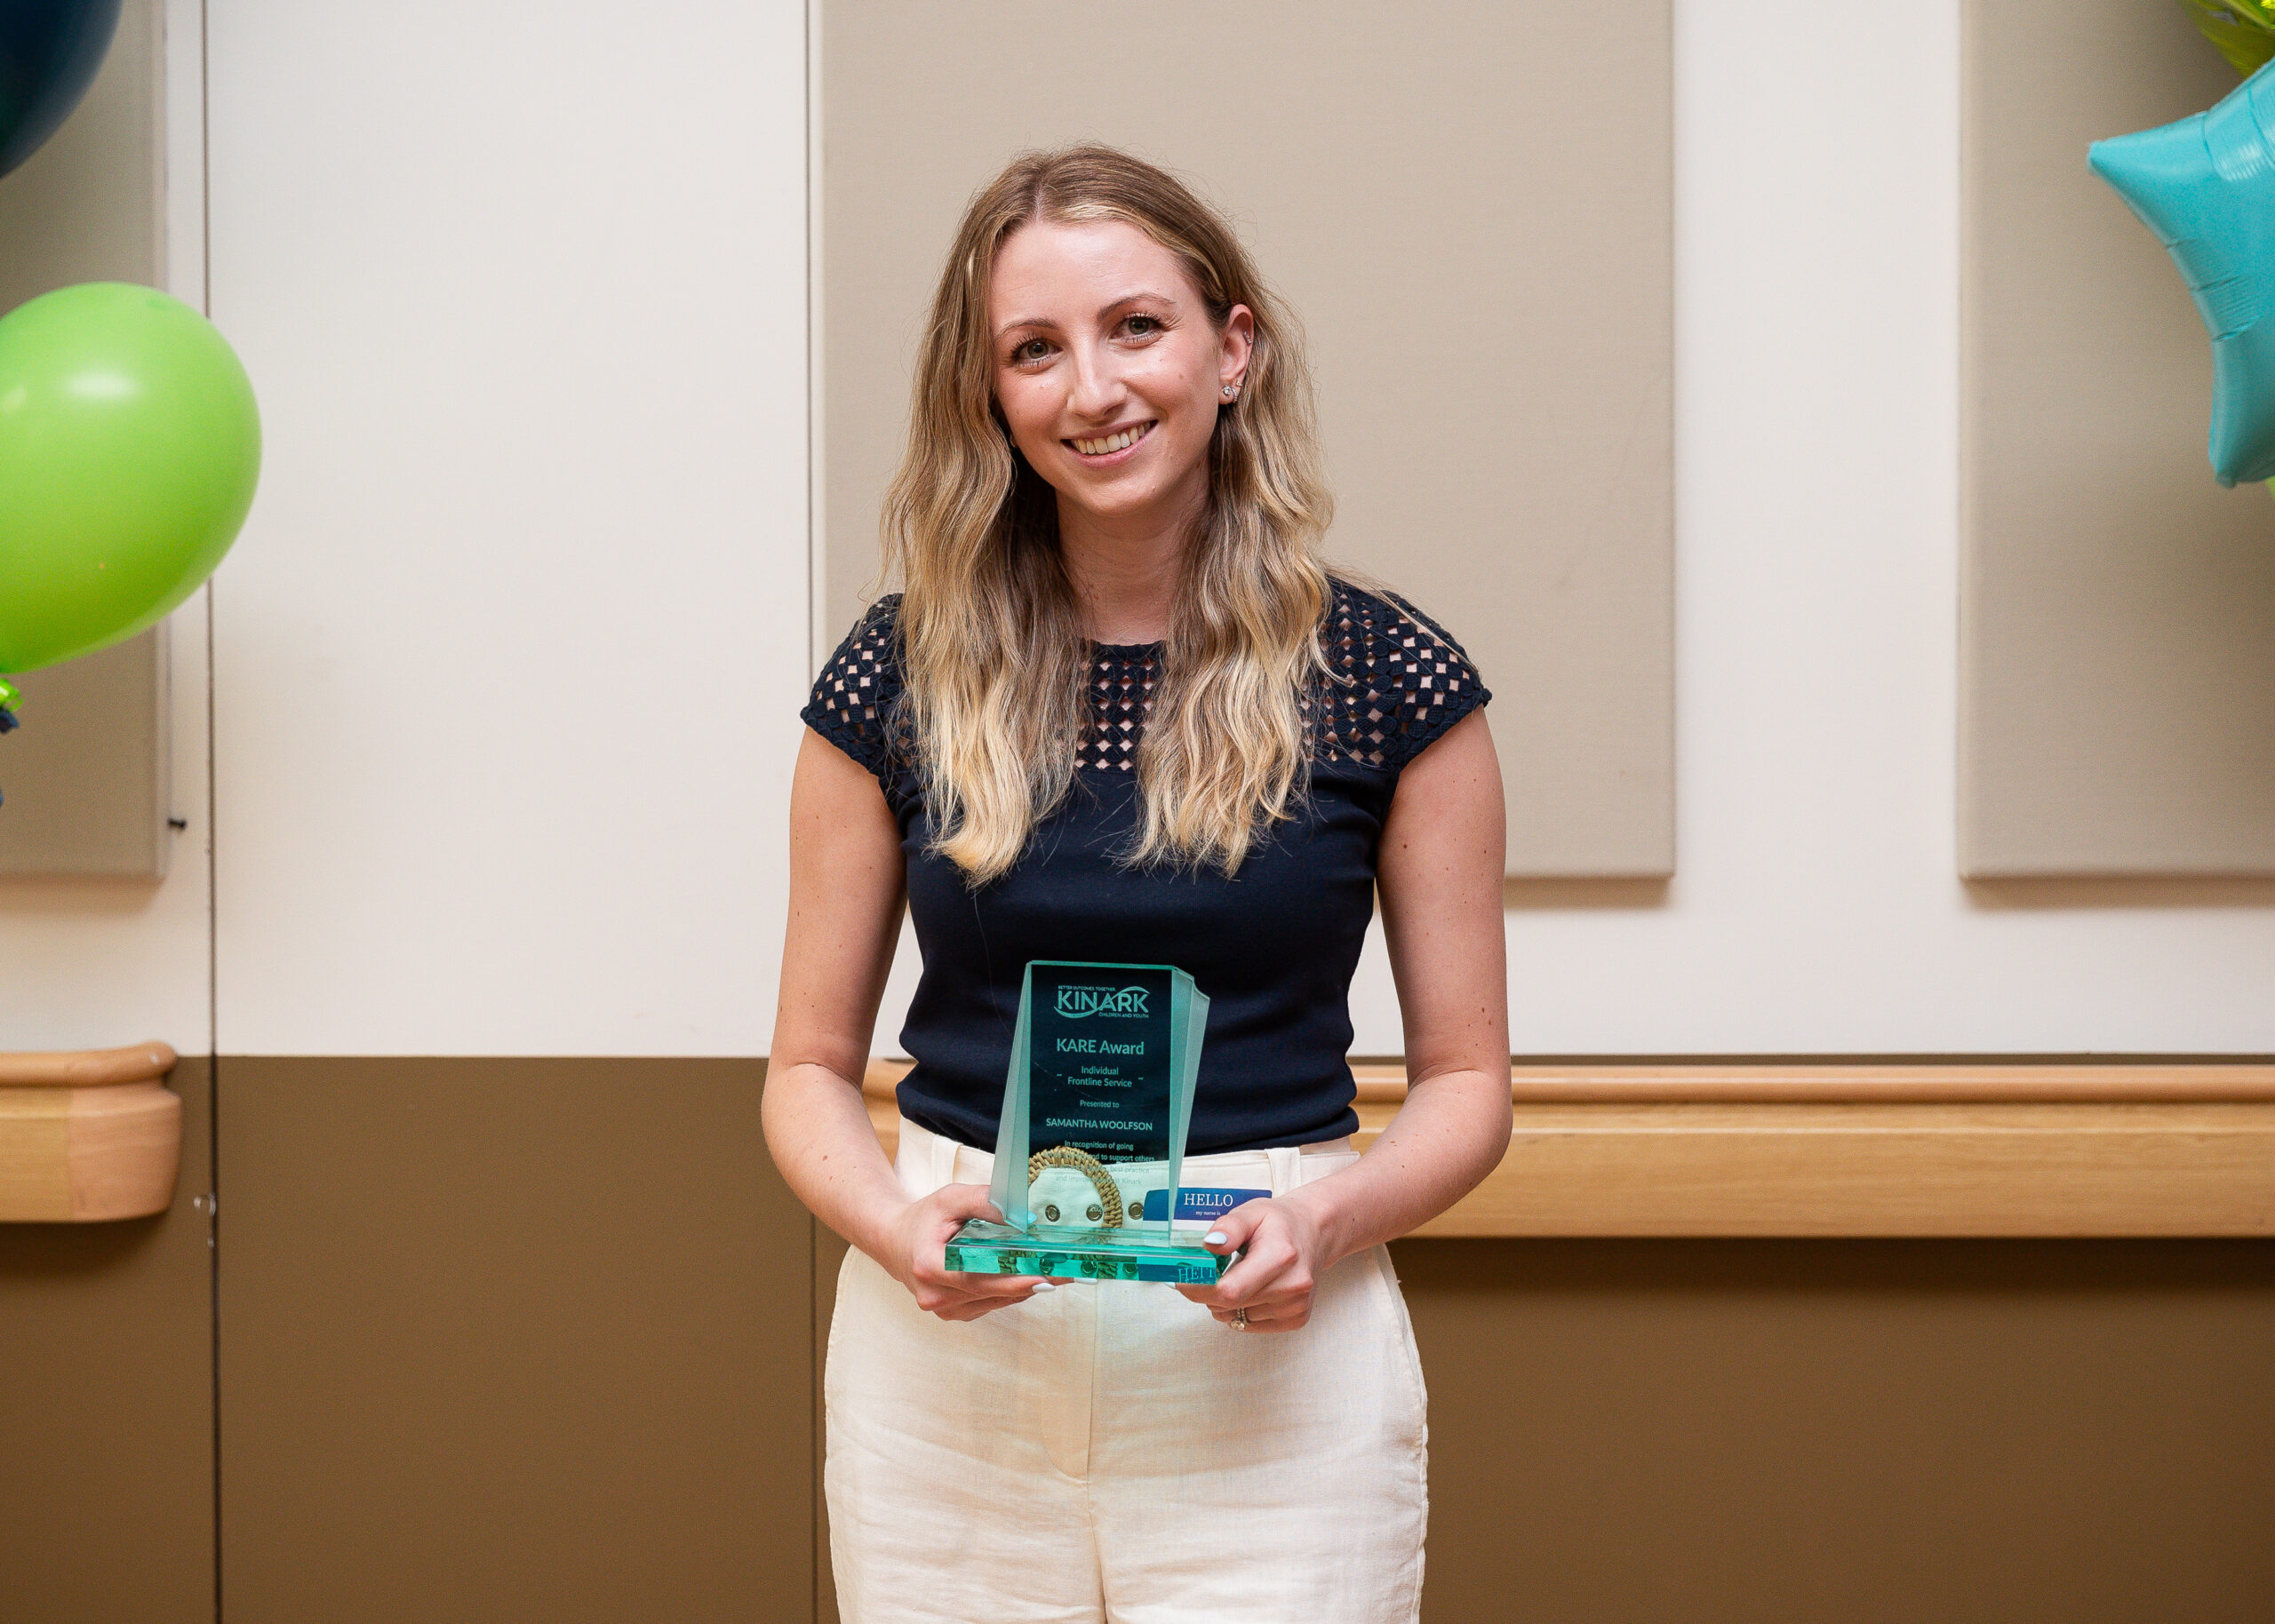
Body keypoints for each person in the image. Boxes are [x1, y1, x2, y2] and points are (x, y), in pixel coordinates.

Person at [765, 144, 1511, 1623]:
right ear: (988, 397)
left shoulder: (1392, 677)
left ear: (1233, 348)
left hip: (1271, 1358)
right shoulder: (893, 675)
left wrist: (1331, 1221)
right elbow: (801, 1069)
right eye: (1033, 350)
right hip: (955, 1353)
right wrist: (895, 1224)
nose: (1090, 389)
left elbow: (1469, 1087)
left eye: (1137, 327)